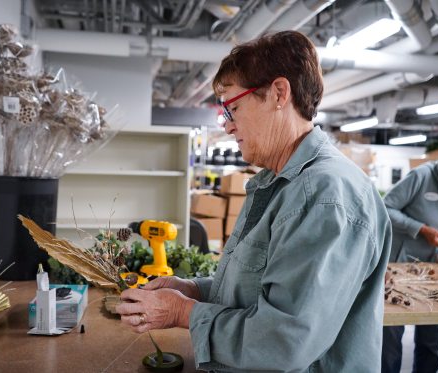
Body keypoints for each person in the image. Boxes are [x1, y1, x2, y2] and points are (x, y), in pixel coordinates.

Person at [116, 30, 392, 372]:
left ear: (279, 93)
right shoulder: (277, 183)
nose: (228, 126)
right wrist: (192, 290)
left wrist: (181, 311)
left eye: (233, 107)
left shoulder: (326, 197)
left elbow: (283, 342)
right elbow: (256, 291)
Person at [382, 139, 438, 373]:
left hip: (437, 277)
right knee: (389, 345)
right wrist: (420, 229)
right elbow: (385, 208)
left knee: (430, 345)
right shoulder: (421, 177)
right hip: (398, 274)